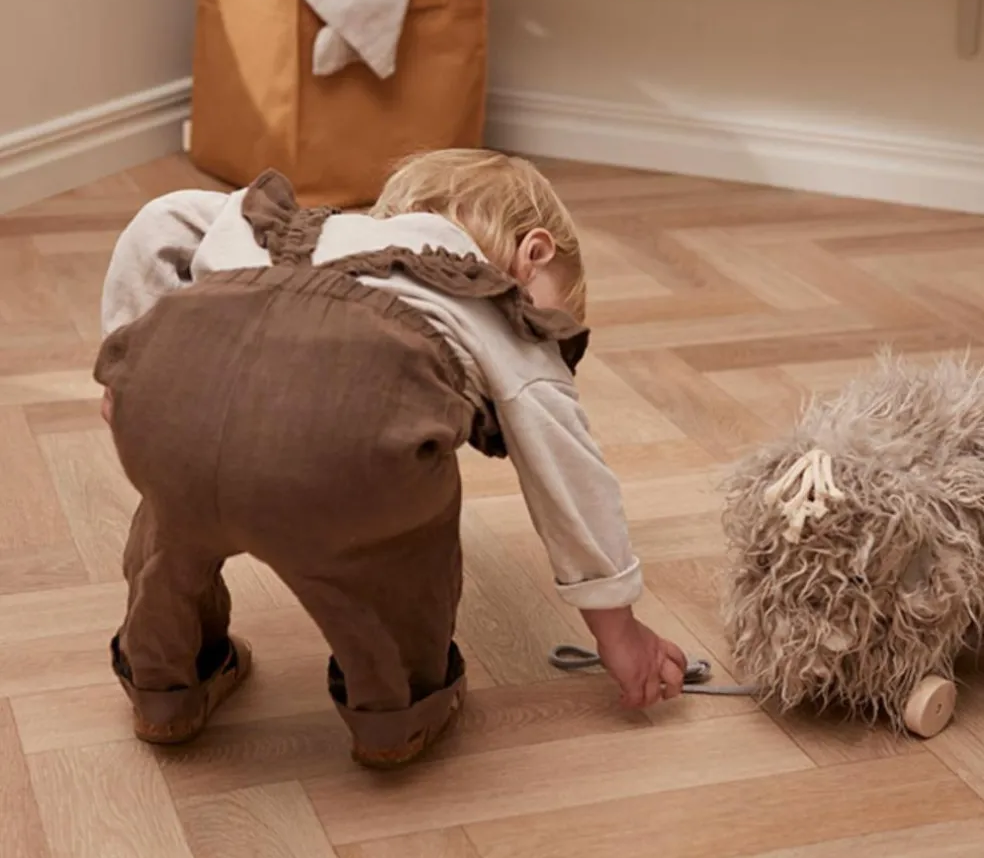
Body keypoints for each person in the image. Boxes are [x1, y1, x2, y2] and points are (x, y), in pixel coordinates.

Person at [95, 149, 687, 769]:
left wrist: (124, 360)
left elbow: (163, 218)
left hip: (171, 412)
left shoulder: (283, 228)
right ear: (531, 255)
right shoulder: (495, 300)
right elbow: (570, 473)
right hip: (340, 442)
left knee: (172, 526)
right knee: (403, 541)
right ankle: (395, 711)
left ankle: (166, 687)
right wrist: (619, 631)